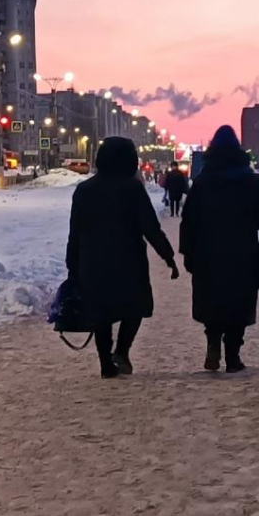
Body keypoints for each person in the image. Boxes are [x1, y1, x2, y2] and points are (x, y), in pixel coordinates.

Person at [66, 137, 178, 378]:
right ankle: (122, 351)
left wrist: (72, 266)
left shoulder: (84, 190)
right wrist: (168, 256)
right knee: (135, 306)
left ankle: (106, 363)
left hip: (92, 261)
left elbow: (75, 231)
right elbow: (150, 227)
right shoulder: (132, 188)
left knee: (101, 313)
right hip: (128, 260)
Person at [179, 126, 259, 373]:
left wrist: (187, 252)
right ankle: (233, 355)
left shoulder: (202, 181)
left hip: (207, 253)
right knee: (238, 302)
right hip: (242, 253)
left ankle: (212, 344)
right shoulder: (250, 181)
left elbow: (188, 220)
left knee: (212, 300)